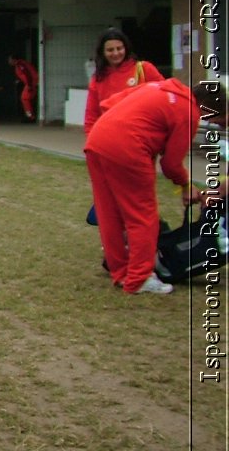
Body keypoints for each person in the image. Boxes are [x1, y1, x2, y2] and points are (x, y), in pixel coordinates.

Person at [85, 77, 218, 295]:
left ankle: (120, 271)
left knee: (109, 212)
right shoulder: (190, 113)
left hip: (98, 140)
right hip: (130, 149)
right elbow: (171, 164)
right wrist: (185, 185)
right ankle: (139, 278)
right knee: (142, 216)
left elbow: (107, 103)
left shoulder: (158, 86)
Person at [83, 27, 162, 135]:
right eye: (110, 50)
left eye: (119, 48)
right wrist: (91, 141)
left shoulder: (145, 69)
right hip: (110, 136)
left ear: (126, 48)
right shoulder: (98, 79)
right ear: (102, 52)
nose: (115, 53)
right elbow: (91, 115)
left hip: (142, 136)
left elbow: (164, 98)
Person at [8, 54, 38, 121]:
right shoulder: (20, 64)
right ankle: (30, 115)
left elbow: (27, 74)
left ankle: (30, 116)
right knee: (27, 99)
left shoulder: (20, 64)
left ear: (14, 60)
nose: (9, 61)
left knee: (25, 99)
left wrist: (30, 85)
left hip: (31, 83)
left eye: (10, 60)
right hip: (31, 83)